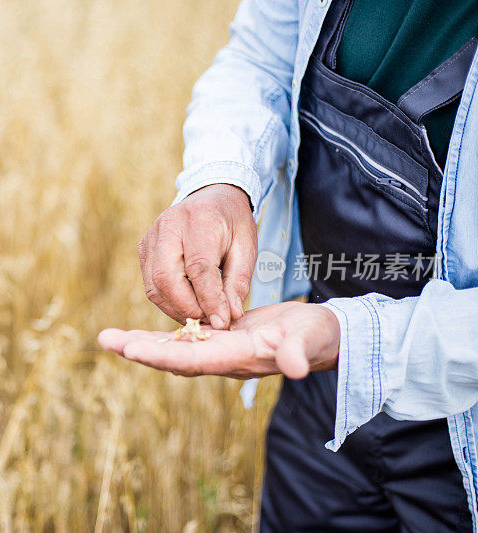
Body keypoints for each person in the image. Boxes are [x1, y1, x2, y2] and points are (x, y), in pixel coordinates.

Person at [98, 0, 478, 530]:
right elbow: (259, 56)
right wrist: (221, 183)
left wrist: (357, 340)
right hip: (319, 373)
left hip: (461, 435)